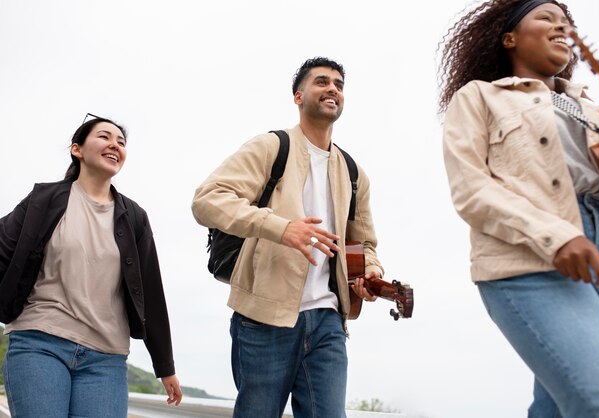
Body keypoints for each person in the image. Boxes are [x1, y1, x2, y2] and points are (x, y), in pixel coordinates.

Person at [439, 1, 599, 417]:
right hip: (529, 260)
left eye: (568, 22)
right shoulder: (479, 97)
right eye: (546, 18)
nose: (562, 26)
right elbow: (471, 189)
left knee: (560, 406)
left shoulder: (595, 110)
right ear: (509, 38)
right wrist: (558, 236)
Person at [192, 57, 383, 418]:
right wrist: (281, 227)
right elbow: (207, 199)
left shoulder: (354, 172)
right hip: (265, 316)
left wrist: (368, 272)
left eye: (339, 85)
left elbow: (364, 243)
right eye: (322, 82)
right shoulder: (270, 147)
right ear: (298, 96)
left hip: (328, 319)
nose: (332, 89)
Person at [0, 115, 183, 417]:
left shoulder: (134, 217)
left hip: (105, 359)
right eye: (104, 137)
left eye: (121, 142)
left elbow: (150, 293)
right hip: (39, 342)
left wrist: (165, 367)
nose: (114, 145)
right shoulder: (44, 200)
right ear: (77, 149)